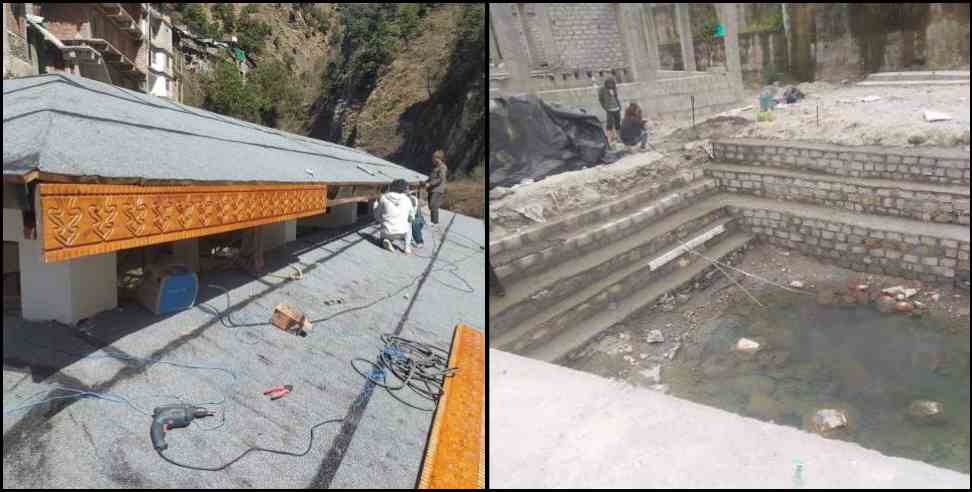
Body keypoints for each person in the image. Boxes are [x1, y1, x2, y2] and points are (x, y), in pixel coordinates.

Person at [373, 179, 415, 255]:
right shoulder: (407, 200)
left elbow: (377, 215)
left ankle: (385, 240)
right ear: (404, 189)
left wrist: (375, 205)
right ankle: (407, 248)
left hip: (387, 231)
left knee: (385, 221)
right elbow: (412, 216)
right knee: (409, 223)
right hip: (402, 232)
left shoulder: (383, 198)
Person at [426, 150, 448, 227]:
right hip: (431, 189)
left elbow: (440, 178)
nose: (432, 160)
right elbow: (431, 177)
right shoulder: (435, 167)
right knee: (431, 205)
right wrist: (425, 182)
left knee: (433, 204)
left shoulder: (443, 167)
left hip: (438, 189)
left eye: (433, 158)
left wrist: (430, 184)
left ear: (438, 158)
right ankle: (433, 221)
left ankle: (435, 222)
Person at [598, 77, 623, 145]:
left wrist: (619, 106)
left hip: (617, 108)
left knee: (618, 124)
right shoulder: (602, 89)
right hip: (609, 109)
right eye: (609, 83)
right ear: (606, 83)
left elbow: (616, 97)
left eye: (612, 83)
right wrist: (605, 107)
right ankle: (609, 140)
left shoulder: (614, 89)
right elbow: (600, 99)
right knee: (609, 125)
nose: (611, 85)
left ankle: (618, 138)